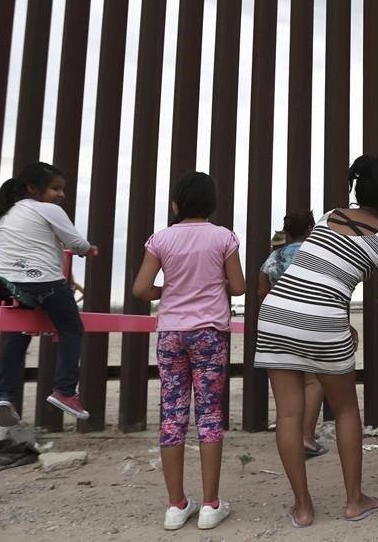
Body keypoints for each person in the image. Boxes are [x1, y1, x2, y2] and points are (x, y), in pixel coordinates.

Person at [255, 155, 378, 528]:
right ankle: (354, 500)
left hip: (274, 314)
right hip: (323, 321)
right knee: (347, 410)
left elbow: (319, 271)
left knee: (288, 415)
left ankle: (302, 508)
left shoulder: (330, 217)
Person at [132, 171, 245, 531]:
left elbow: (140, 289)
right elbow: (239, 287)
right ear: (212, 204)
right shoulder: (223, 237)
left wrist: (168, 292)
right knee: (209, 416)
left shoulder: (161, 239)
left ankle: (176, 505)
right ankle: (211, 505)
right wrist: (213, 283)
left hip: (171, 334)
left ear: (175, 204)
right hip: (210, 333)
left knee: (172, 415)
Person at [0, 162, 95, 427]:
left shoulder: (5, 212)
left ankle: (4, 397)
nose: (61, 195)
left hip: (9, 284)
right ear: (33, 189)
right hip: (46, 282)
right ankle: (66, 391)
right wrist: (89, 249)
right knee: (71, 329)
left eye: (62, 190)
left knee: (17, 336)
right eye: (55, 188)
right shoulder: (48, 209)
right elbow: (74, 243)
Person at [258, 210, 328, 459]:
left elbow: (261, 292)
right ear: (310, 228)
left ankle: (292, 437)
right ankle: (306, 437)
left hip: (278, 325)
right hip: (309, 323)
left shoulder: (273, 258)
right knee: (314, 381)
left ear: (286, 232)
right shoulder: (316, 256)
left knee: (288, 387)